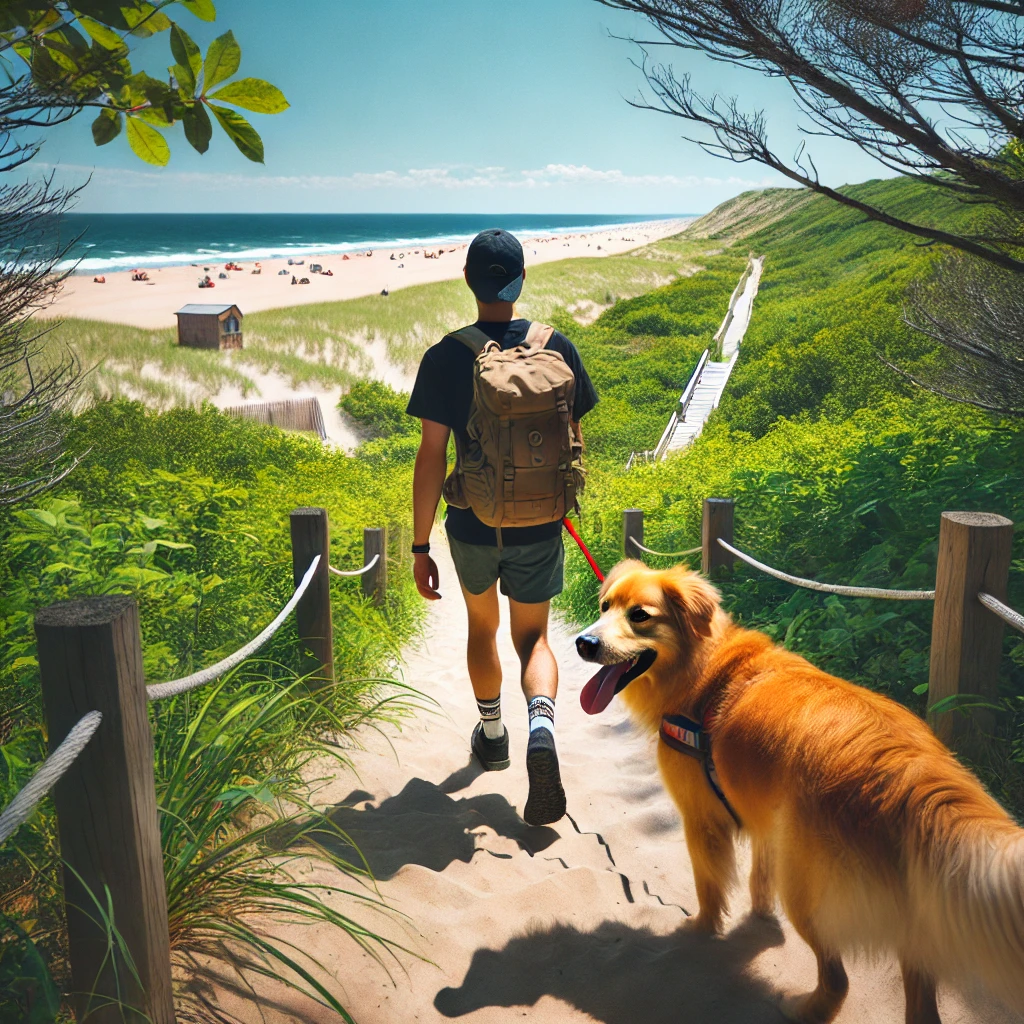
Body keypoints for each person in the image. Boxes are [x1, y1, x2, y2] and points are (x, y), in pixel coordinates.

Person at [406, 229, 598, 826]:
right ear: (519, 281)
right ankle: (541, 729)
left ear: (469, 279)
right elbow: (573, 437)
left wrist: (419, 544)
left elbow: (431, 456)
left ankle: (493, 736)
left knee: (483, 629)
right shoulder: (554, 346)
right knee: (533, 640)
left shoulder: (447, 355)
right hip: (539, 523)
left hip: (471, 521)